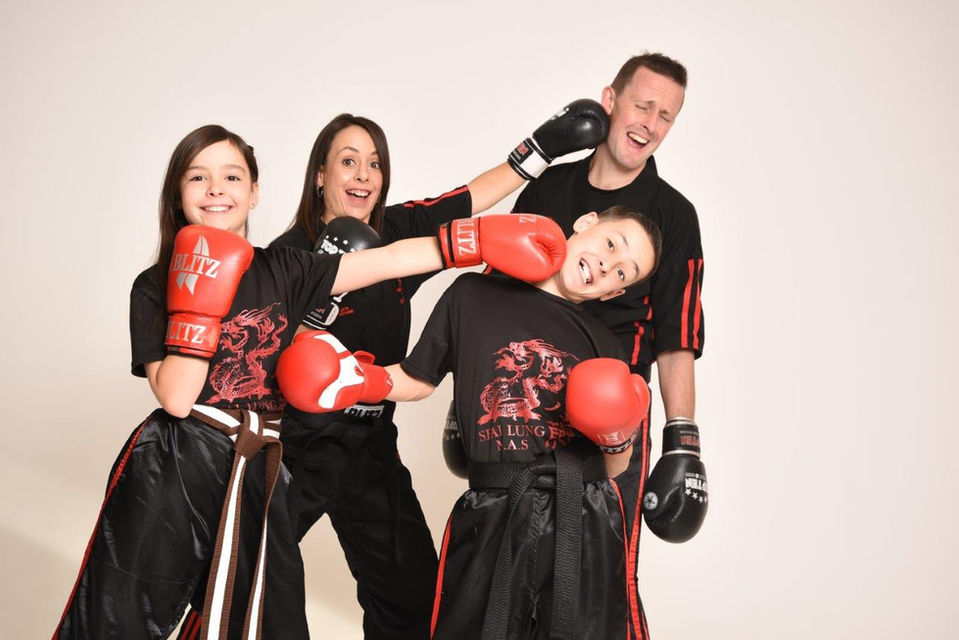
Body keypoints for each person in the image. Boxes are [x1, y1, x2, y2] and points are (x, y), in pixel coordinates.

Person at [53, 124, 564, 640]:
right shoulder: (152, 285)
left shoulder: (287, 269)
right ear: (177, 193)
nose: (216, 189)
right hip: (175, 467)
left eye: (232, 177)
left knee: (268, 617)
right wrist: (197, 298)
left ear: (254, 191)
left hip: (262, 465)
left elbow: (388, 259)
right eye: (198, 177)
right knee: (122, 615)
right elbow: (178, 397)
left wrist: (476, 242)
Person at [258, 112, 605, 640]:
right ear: (320, 175)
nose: (363, 175)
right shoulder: (286, 256)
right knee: (254, 581)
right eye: (348, 161)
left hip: (370, 444)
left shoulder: (396, 230)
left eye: (375, 164)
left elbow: (471, 199)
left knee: (413, 599)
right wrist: (316, 305)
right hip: (295, 445)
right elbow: (258, 359)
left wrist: (544, 145)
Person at [277, 206, 663, 640]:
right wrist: (357, 378)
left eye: (622, 273)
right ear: (585, 222)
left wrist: (616, 437)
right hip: (494, 506)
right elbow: (418, 379)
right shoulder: (471, 294)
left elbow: (615, 467)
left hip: (583, 515)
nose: (607, 265)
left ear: (614, 293)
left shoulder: (607, 346)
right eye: (611, 244)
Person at [507, 53, 709, 638]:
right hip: (527, 401)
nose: (650, 123)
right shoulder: (547, 187)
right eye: (643, 105)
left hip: (614, 416)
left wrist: (683, 443)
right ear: (610, 100)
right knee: (513, 567)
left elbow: (677, 335)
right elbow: (500, 291)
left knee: (603, 580)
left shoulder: (676, 215)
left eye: (666, 116)